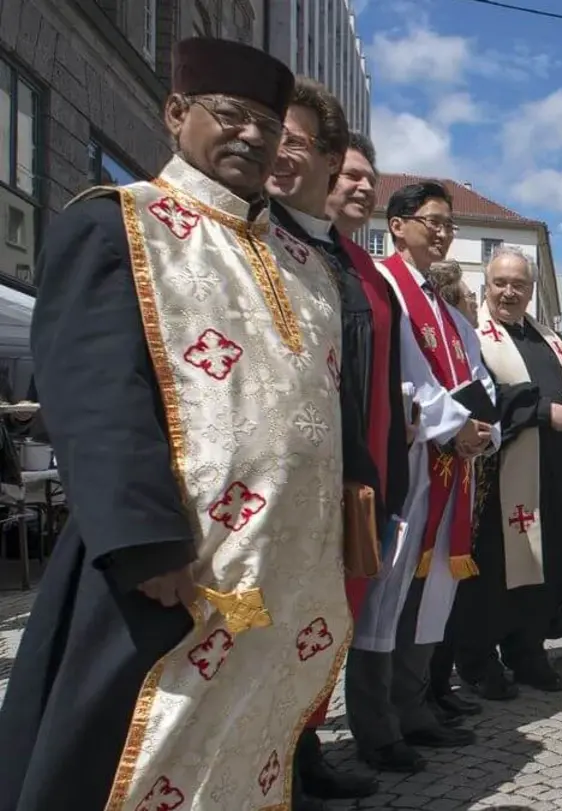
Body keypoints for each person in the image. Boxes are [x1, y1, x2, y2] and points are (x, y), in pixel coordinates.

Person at [0, 38, 354, 811]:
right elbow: (94, 395)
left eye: (268, 123)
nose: (254, 136)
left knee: (248, 747)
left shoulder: (307, 267)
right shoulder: (119, 224)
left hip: (278, 571)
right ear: (175, 114)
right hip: (169, 571)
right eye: (230, 115)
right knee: (121, 756)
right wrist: (146, 543)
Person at [347, 181, 496, 768]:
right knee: (384, 598)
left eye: (449, 224)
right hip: (408, 464)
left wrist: (485, 431)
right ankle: (376, 725)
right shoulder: (385, 286)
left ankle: (412, 707)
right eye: (432, 220)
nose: (443, 232)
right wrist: (454, 424)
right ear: (399, 223)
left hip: (451, 469)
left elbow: (479, 383)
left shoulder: (445, 308)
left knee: (427, 595)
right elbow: (401, 376)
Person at [264, 77, 383, 804]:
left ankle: (301, 752)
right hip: (262, 484)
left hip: (338, 463)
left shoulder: (330, 257)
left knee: (311, 618)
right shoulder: (267, 238)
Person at [465, 247, 562, 696]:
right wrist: (542, 412)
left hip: (554, 468)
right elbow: (484, 397)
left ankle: (527, 651)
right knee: (496, 569)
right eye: (501, 283)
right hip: (500, 474)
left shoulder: (547, 339)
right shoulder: (474, 335)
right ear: (487, 284)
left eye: (519, 284)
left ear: (532, 290)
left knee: (546, 562)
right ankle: (480, 660)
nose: (509, 292)